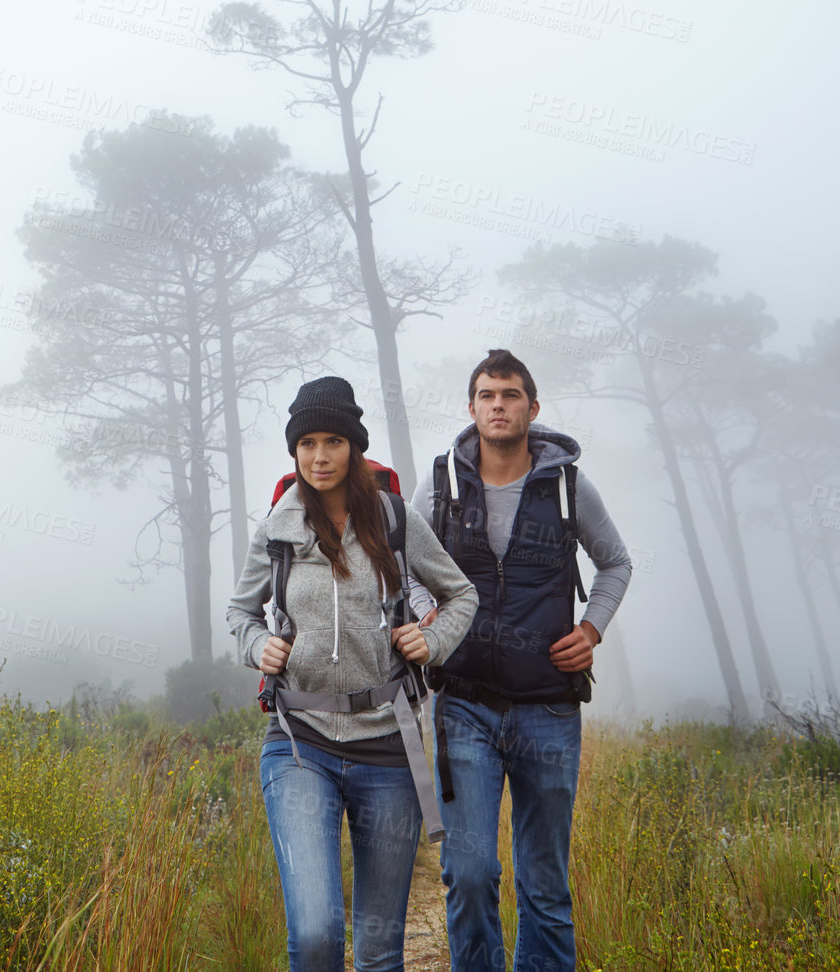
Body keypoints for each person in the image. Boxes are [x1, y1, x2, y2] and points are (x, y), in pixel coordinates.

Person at [227, 375, 478, 972]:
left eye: (333, 441)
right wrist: (257, 642)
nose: (319, 456)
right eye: (307, 442)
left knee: (377, 952)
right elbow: (240, 611)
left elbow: (460, 594)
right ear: (294, 449)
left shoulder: (394, 520)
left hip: (389, 748)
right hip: (297, 744)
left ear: (354, 446)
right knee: (315, 934)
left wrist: (432, 640)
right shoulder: (277, 530)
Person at [411, 347, 632, 972]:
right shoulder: (444, 484)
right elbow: (408, 567)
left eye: (510, 396)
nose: (498, 405)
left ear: (532, 409)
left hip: (549, 708)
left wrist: (592, 628)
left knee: (544, 886)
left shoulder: (566, 485)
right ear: (472, 407)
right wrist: (429, 613)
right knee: (471, 872)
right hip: (464, 706)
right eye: (487, 395)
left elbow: (615, 562)